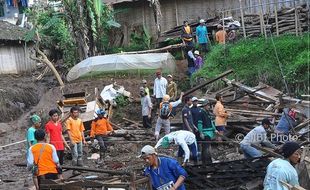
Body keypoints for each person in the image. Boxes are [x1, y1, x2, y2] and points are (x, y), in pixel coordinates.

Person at [198, 100, 218, 164]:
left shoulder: (208, 113)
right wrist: (201, 132)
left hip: (209, 132)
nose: (209, 107)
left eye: (209, 105)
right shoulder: (201, 113)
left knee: (207, 147)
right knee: (205, 148)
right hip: (205, 133)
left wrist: (214, 129)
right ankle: (205, 162)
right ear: (204, 106)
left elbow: (211, 122)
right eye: (208, 105)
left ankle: (209, 161)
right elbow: (199, 123)